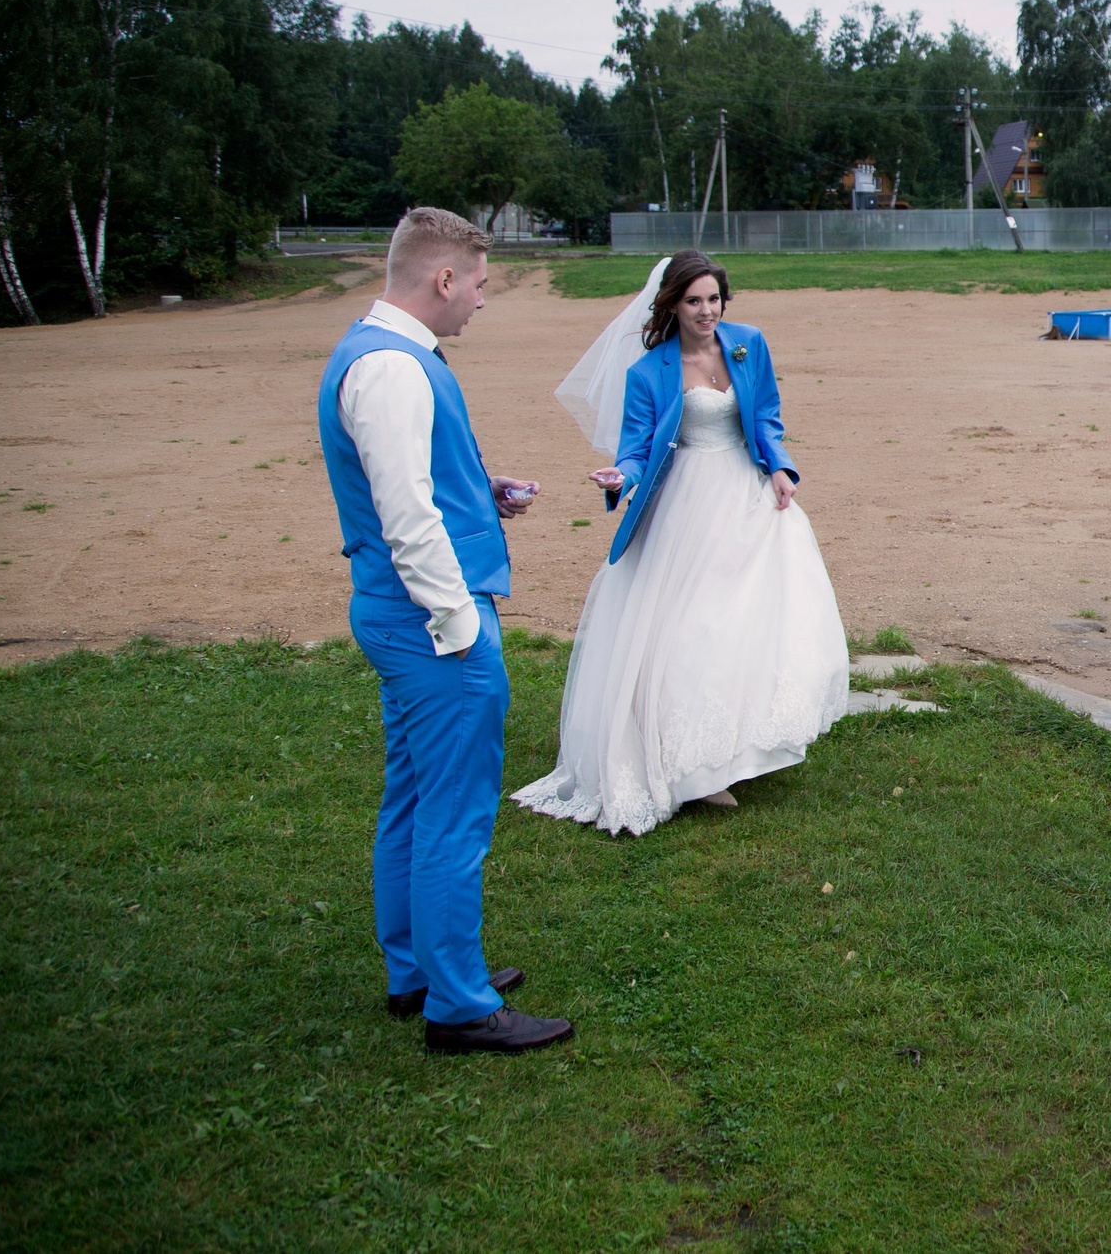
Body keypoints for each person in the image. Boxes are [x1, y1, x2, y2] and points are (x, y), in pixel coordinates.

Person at [315, 207, 574, 1055]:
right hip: (430, 622)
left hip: (399, 615)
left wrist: (480, 488)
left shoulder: (379, 354)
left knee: (416, 797)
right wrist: (461, 627)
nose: (483, 303)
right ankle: (458, 1002)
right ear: (444, 278)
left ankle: (416, 970)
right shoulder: (392, 368)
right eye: (483, 285)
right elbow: (406, 517)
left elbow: (418, 479)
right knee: (453, 814)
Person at [512, 249, 852, 836]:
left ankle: (735, 745)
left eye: (714, 299)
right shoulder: (649, 371)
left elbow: (767, 415)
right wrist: (622, 477)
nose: (706, 311)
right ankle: (687, 763)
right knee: (692, 624)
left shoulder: (749, 343)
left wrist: (778, 467)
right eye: (693, 301)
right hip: (686, 506)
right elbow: (637, 447)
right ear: (672, 304)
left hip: (746, 498)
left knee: (747, 621)